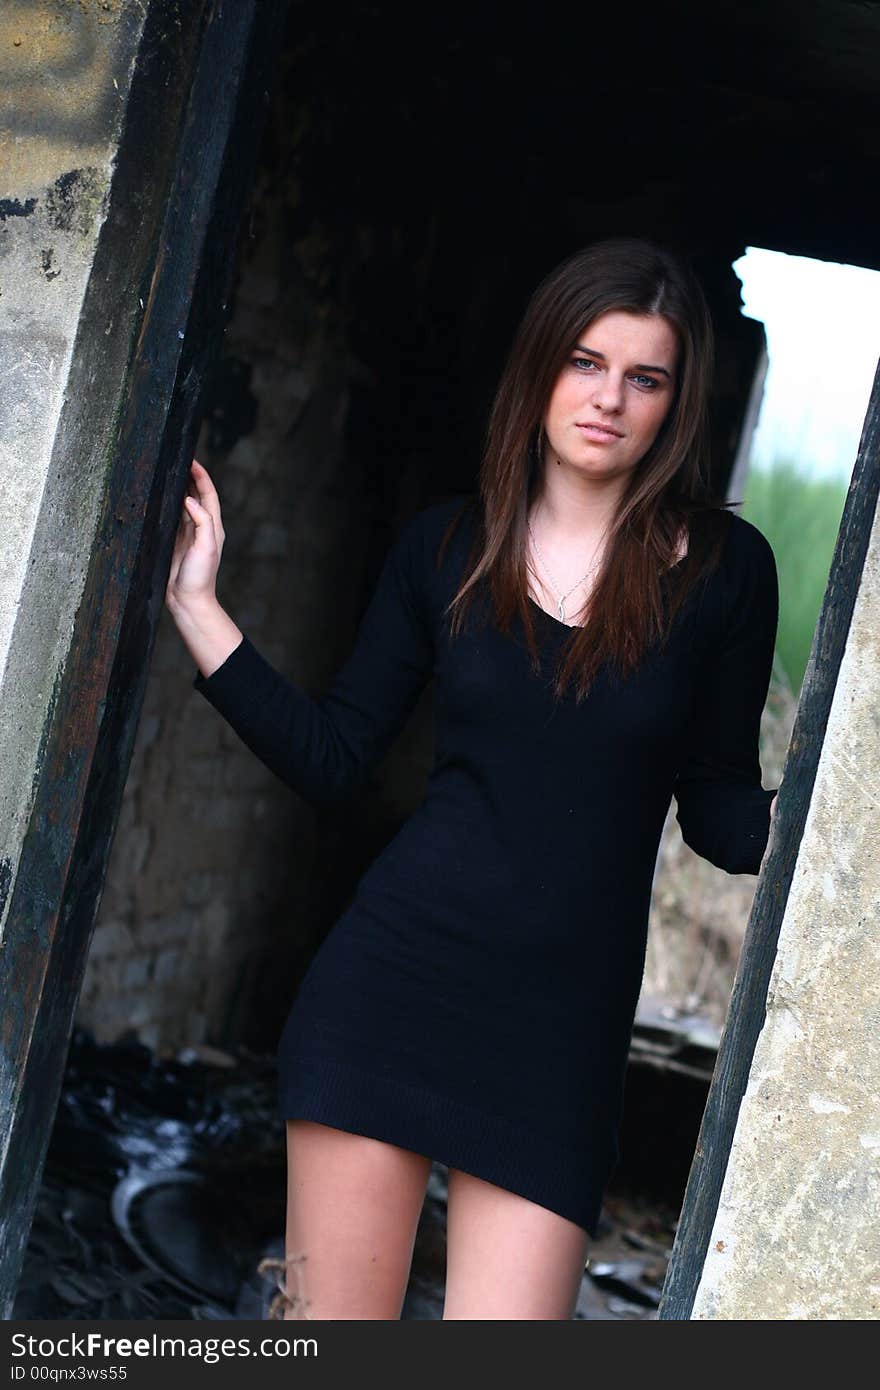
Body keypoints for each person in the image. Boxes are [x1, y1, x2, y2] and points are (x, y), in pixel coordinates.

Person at [165, 236, 780, 1321]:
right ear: (540, 368)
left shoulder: (724, 577)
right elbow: (334, 755)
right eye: (586, 362)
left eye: (645, 378)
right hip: (391, 990)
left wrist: (835, 830)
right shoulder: (444, 549)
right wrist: (200, 612)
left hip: (559, 1041)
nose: (609, 399)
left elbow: (725, 814)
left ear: (677, 405)